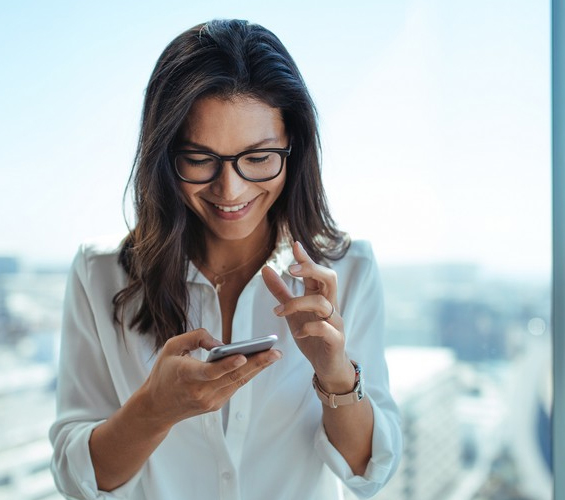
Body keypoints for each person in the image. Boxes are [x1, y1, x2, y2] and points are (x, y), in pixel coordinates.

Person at [48, 18, 402, 500]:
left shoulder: (349, 269)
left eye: (258, 158)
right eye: (199, 159)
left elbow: (369, 472)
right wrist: (155, 408)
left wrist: (335, 373)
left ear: (293, 150)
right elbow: (77, 480)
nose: (229, 190)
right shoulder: (100, 271)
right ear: (164, 155)